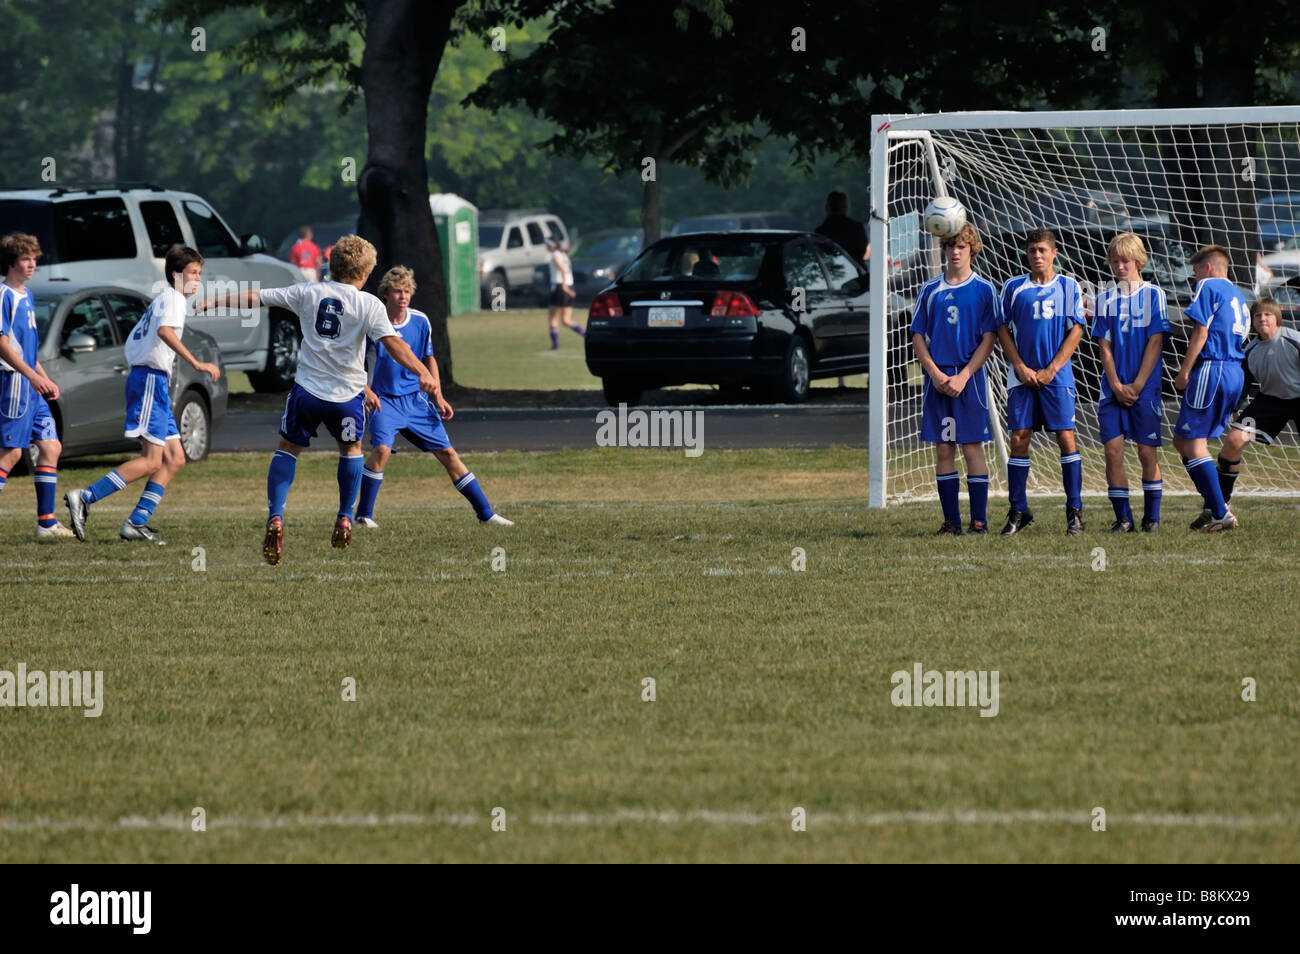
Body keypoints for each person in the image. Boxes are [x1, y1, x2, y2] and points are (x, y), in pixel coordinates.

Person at [197, 235, 438, 565]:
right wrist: (421, 370)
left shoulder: (307, 292)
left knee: (287, 448)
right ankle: (343, 516)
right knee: (351, 450)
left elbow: (258, 298)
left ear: (332, 265)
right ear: (365, 272)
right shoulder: (369, 304)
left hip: (307, 393)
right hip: (348, 398)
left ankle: (277, 516)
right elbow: (394, 345)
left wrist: (214, 301)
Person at [65, 246, 220, 545]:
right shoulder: (174, 299)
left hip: (153, 382)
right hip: (149, 381)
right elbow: (164, 332)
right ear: (176, 275)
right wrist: (196, 363)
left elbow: (140, 338)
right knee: (152, 460)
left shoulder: (164, 299)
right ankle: (85, 496)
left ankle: (136, 523)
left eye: (200, 274)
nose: (198, 279)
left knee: (174, 458)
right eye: (193, 273)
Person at [354, 266, 512, 528]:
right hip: (384, 401)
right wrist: (366, 391)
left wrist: (438, 394)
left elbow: (429, 359)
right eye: (397, 291)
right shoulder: (372, 324)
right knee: (381, 450)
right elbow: (355, 363)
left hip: (416, 401)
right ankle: (364, 516)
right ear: (385, 294)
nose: (403, 297)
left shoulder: (420, 321)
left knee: (449, 454)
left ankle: (486, 514)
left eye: (407, 291)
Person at [909, 222, 1000, 535]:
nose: (955, 251)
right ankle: (951, 522)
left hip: (969, 379)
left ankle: (979, 522)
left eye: (961, 246)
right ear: (944, 249)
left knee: (971, 447)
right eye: (950, 246)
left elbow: (989, 338)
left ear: (971, 249)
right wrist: (934, 373)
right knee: (944, 448)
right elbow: (918, 335)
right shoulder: (930, 290)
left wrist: (964, 375)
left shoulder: (984, 289)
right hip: (938, 378)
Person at [995, 229, 1086, 535]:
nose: (1037, 255)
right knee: (1019, 438)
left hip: (1057, 377)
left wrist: (1052, 369)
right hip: (1021, 377)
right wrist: (1019, 366)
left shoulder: (1069, 286)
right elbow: (1002, 330)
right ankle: (1018, 510)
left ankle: (1074, 512)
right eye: (1032, 250)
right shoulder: (1013, 287)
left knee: (1066, 438)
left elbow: (1076, 330)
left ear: (1054, 253)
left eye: (1042, 250)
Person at [1092, 233, 1171, 532]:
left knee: (1146, 452)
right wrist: (1115, 384)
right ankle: (1123, 518)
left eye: (1125, 261)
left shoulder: (1154, 294)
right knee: (1112, 451)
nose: (1120, 266)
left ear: (1138, 261)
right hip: (1112, 389)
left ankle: (1151, 517)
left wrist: (1137, 385)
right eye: (1115, 261)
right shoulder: (1104, 298)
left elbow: (1155, 341)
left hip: (1145, 389)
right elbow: (1105, 346)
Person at [0, 233, 75, 541]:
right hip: (15, 383)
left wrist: (43, 377)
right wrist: (31, 377)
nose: (32, 264)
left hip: (31, 383)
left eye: (34, 258)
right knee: (12, 453)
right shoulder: (3, 295)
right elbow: (3, 344)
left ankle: (46, 523)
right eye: (25, 259)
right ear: (11, 263)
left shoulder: (27, 295)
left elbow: (28, 349)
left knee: (50, 446)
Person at [1173, 244, 1250, 532]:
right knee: (1182, 441)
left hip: (1214, 367)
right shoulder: (1237, 293)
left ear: (1206, 268)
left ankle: (1220, 512)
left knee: (1194, 443)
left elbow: (1201, 331)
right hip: (1233, 371)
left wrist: (1184, 371)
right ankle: (1214, 503)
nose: (1194, 279)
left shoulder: (1208, 285)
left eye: (1194, 272)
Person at [1214, 298, 1300, 514]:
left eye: (1268, 314)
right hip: (1270, 400)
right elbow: (1244, 386)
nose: (1263, 318)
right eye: (1258, 315)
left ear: (1277, 319)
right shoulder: (1250, 350)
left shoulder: (1293, 340)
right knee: (1234, 440)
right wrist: (1233, 410)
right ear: (1252, 322)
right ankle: (1221, 505)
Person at [546, 237, 583, 349]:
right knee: (566, 320)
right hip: (569, 286)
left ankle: (555, 345)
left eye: (547, 245)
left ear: (552, 245)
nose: (546, 247)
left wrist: (564, 286)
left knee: (553, 318)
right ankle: (586, 334)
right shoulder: (564, 255)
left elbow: (563, 269)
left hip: (559, 287)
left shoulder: (555, 255)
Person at [814, 189, 868, 262]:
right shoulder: (857, 228)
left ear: (827, 207)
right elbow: (862, 251)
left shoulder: (820, 232)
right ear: (845, 207)